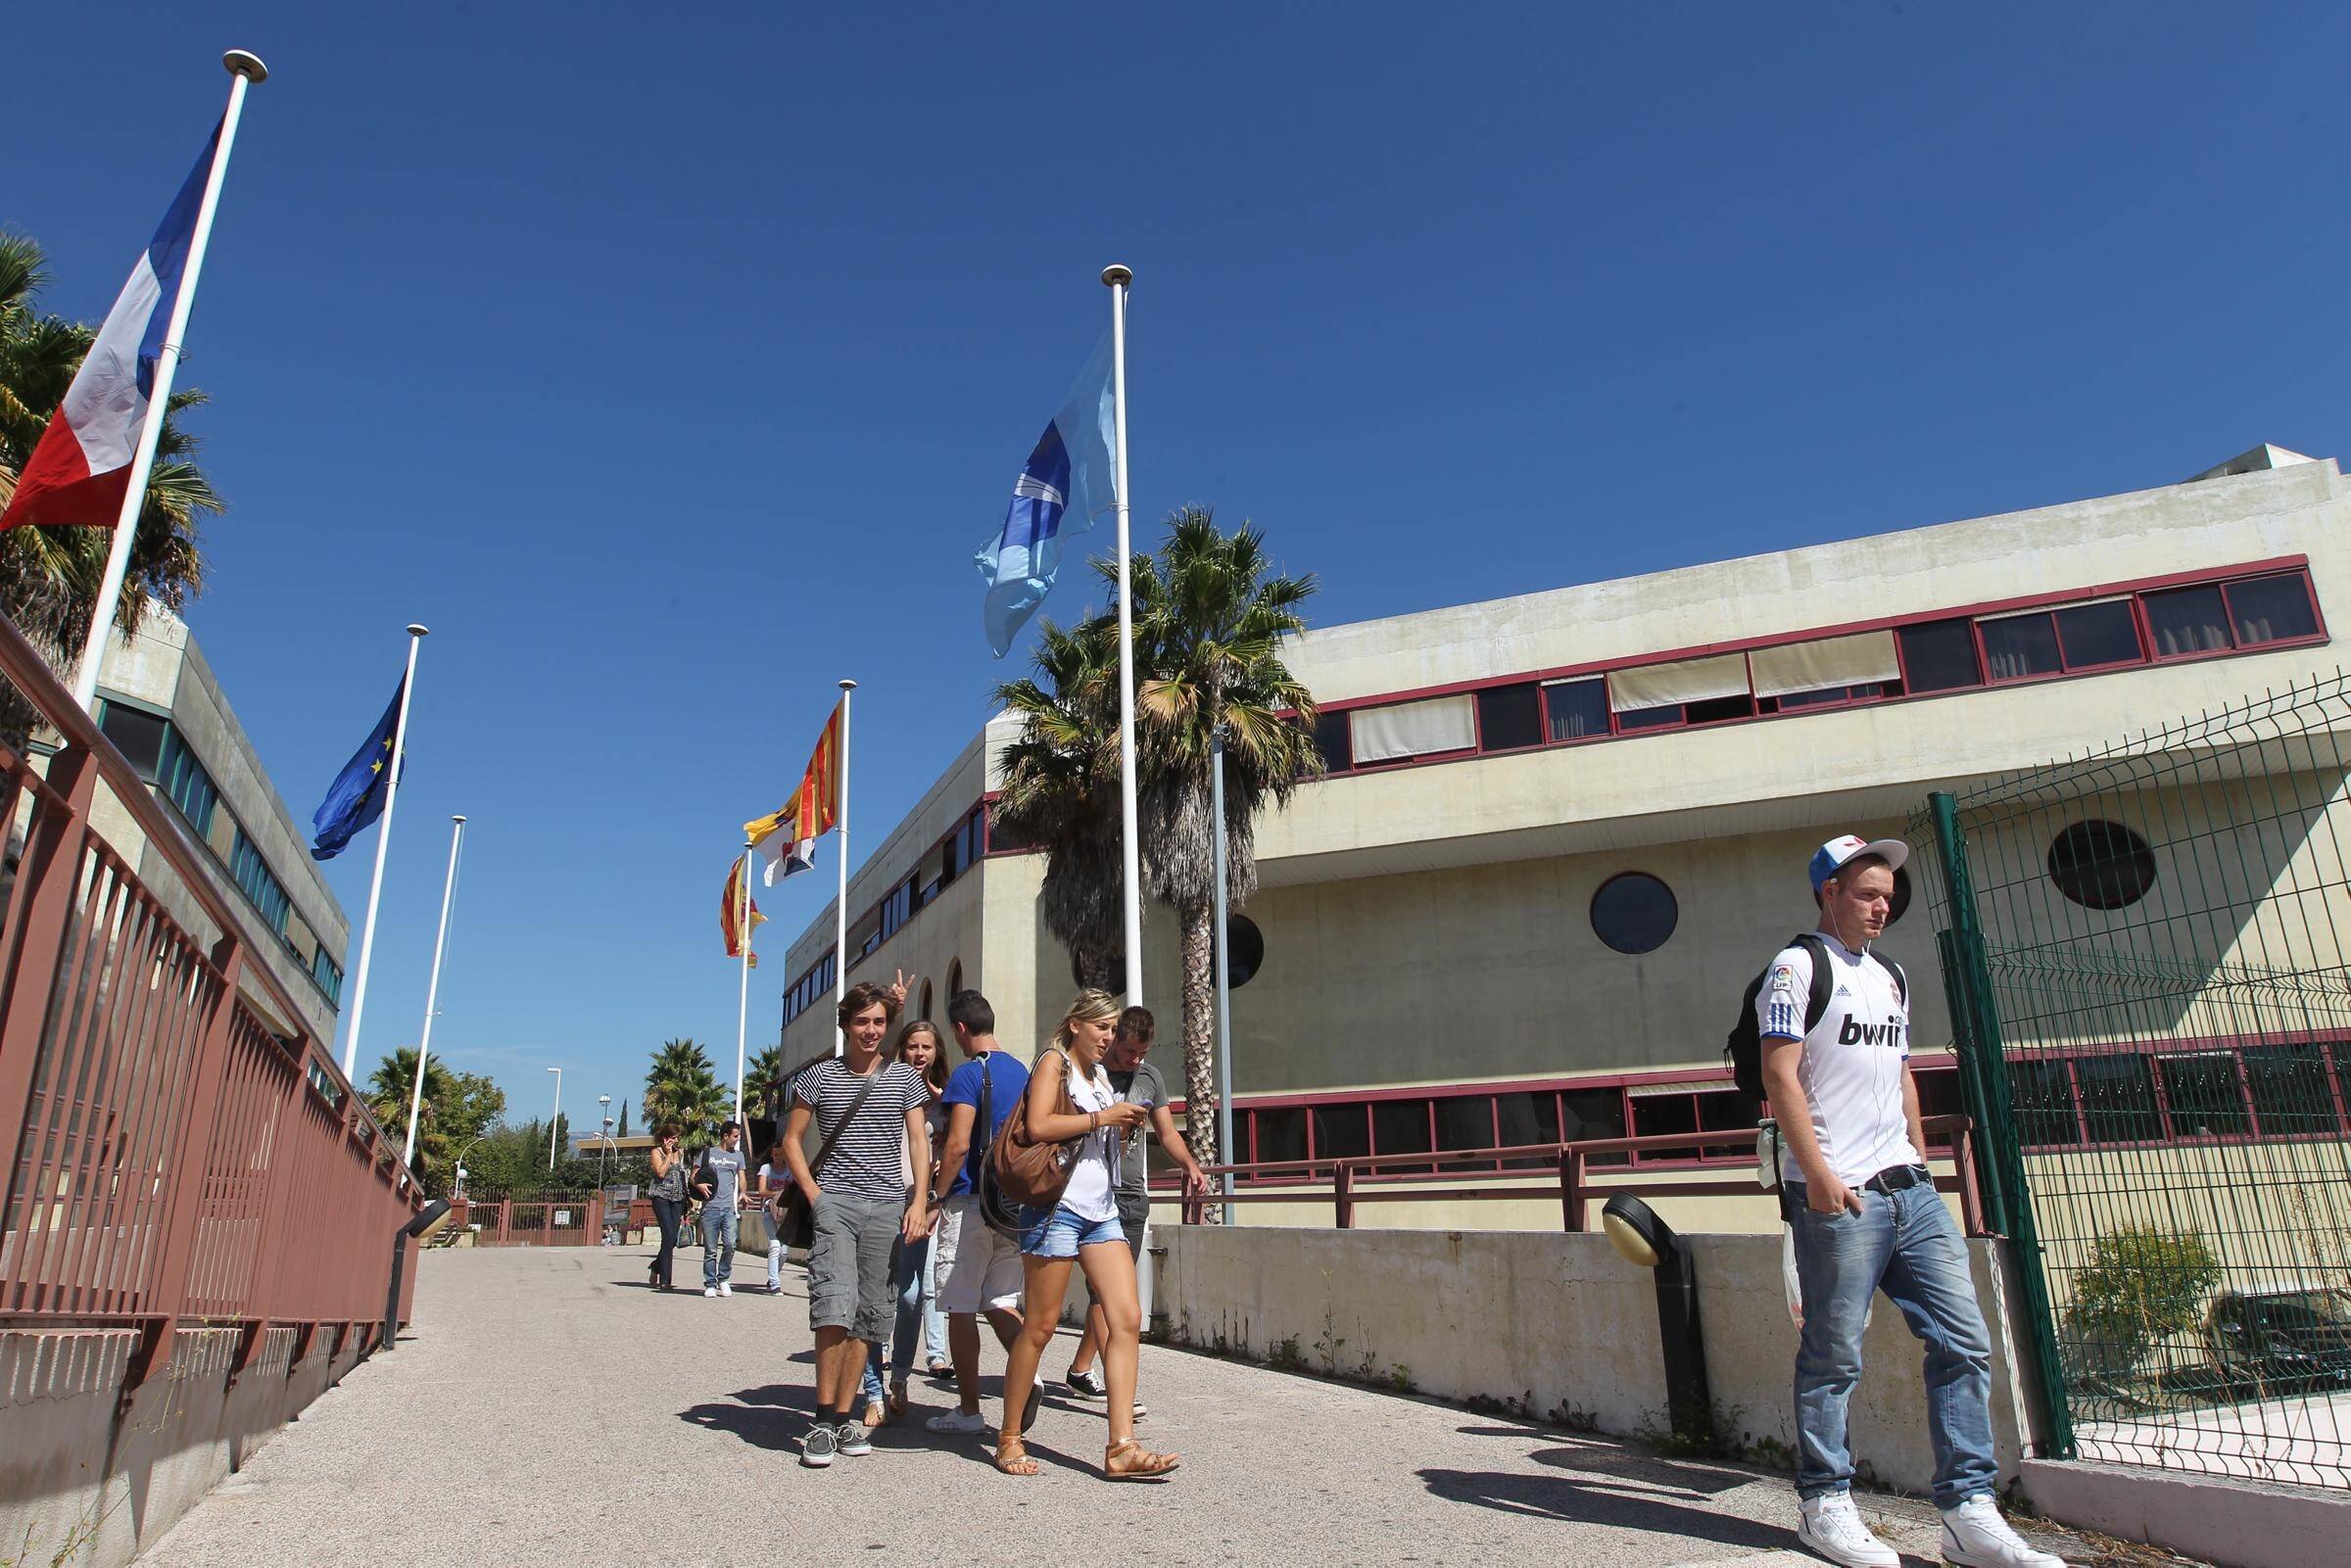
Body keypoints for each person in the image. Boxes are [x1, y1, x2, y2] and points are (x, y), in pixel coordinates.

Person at [1763, 835, 2059, 1568]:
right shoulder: (1797, 967)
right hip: (1842, 1195)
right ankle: (1824, 1503)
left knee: (1964, 1339)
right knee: (1834, 1352)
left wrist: (1920, 1161)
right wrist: (1818, 1174)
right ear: (1829, 893)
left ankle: (1968, 1512)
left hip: (1909, 1189)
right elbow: (1780, 1074)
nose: (1881, 907)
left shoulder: (1892, 975)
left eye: (1888, 897)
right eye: (1868, 894)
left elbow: (1901, 1074)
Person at [995, 990, 1178, 1482]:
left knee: (1127, 1317)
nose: (1108, 1037)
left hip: (1101, 1211)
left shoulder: (1098, 1076)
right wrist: (1103, 1117)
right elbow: (1038, 1125)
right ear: (1076, 1024)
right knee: (1040, 1325)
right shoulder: (1053, 1063)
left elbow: (1095, 1137)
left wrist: (1122, 1126)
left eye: (1113, 1029)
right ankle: (1009, 1436)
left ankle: (1122, 1446)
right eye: (1102, 1027)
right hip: (1055, 1209)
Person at [782, 981, 932, 1468]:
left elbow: (919, 1142)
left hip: (887, 1208)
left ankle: (844, 1416)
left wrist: (919, 1200)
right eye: (862, 1021)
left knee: (871, 1315)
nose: (871, 1030)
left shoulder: (904, 1077)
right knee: (834, 1307)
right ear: (846, 1024)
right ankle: (822, 1421)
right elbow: (791, 1141)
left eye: (879, 1022)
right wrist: (816, 1197)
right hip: (837, 1206)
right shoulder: (819, 1076)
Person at [1062, 1006, 1209, 1417]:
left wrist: (1190, 1165)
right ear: (1114, 1040)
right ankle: (1118, 1391)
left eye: (1142, 1053)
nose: (1135, 1060)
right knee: (1105, 1294)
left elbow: (1167, 1132)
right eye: (1129, 1051)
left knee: (1112, 1295)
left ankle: (1080, 1370)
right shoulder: (1090, 1075)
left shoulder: (1150, 1078)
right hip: (1092, 1195)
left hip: (1131, 1197)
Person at [924, 989, 1033, 1438]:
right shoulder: (1023, 1072)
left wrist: (936, 1197)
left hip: (970, 1201)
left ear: (960, 1028)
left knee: (960, 1305)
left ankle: (968, 1410)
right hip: (1011, 1205)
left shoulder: (970, 1073)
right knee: (1001, 1301)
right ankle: (1030, 1375)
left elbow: (957, 1145)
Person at [854, 1019, 952, 1422]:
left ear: (937, 1052)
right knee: (875, 1296)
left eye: (926, 1047)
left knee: (912, 1297)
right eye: (913, 1046)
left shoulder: (946, 1100)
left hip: (921, 1206)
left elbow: (954, 1152)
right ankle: (872, 1391)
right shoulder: (885, 1086)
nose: (919, 1053)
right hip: (879, 1200)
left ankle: (899, 1378)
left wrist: (936, 1192)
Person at [693, 1121, 747, 1298]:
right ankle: (709, 1284)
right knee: (710, 1249)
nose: (737, 1139)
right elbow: (693, 1176)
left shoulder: (738, 1156)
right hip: (710, 1208)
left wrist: (743, 1192)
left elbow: (742, 1177)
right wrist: (699, 1185)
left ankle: (723, 1278)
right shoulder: (707, 1153)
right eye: (735, 1136)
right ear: (725, 1136)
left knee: (730, 1244)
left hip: (728, 1209)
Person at [646, 1123, 687, 1291]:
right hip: (661, 1196)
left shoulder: (680, 1152)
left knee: (672, 1237)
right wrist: (668, 1154)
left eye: (678, 1138)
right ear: (665, 1138)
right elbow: (661, 1173)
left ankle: (656, 1266)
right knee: (667, 1234)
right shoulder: (657, 1152)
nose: (677, 1141)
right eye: (674, 1137)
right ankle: (665, 1280)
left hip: (678, 1198)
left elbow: (682, 1174)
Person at [755, 1138, 789, 1295]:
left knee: (784, 1252)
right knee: (774, 1246)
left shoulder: (789, 1170)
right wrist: (777, 1193)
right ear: (771, 1155)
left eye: (781, 1154)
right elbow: (762, 1191)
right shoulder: (766, 1168)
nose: (778, 1157)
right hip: (769, 1210)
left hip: (785, 1213)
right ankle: (775, 1284)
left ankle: (772, 1278)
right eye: (775, 1155)